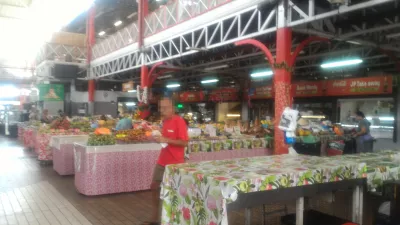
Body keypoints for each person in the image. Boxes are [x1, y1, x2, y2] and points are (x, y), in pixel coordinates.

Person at [146, 97, 188, 225]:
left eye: (165, 107)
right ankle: (154, 217)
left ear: (172, 108)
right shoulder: (164, 121)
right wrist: (157, 137)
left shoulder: (179, 122)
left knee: (174, 191)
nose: (162, 110)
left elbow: (184, 142)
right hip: (162, 160)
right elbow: (165, 138)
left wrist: (166, 140)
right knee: (154, 186)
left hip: (175, 163)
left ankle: (175, 217)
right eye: (160, 108)